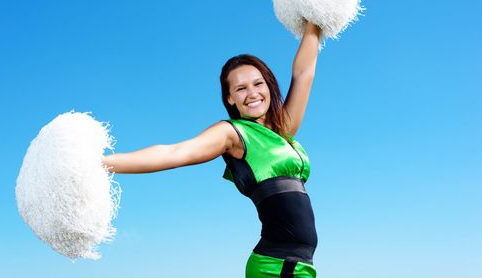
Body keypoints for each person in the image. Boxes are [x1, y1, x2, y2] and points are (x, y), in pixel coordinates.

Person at [102, 21, 321, 277]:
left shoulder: (282, 130)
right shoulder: (232, 134)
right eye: (240, 88)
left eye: (258, 84)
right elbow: (174, 153)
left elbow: (304, 74)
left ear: (269, 86)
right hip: (275, 266)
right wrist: (100, 164)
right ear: (230, 98)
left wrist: (314, 14)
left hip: (298, 265)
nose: (252, 93)